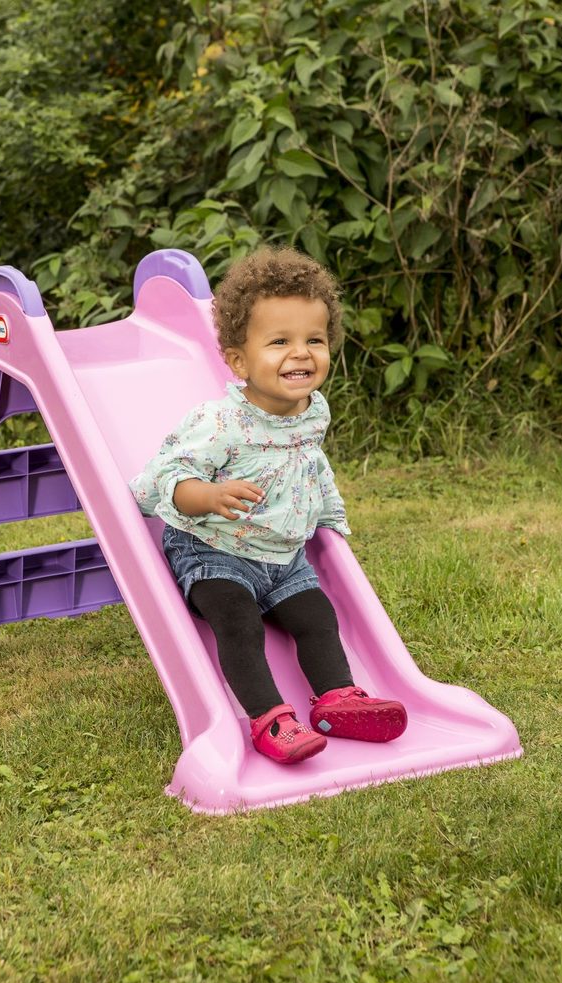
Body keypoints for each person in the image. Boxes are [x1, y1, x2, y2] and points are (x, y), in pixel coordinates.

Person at [129, 246, 407, 765]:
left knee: (318, 617)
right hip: (213, 551)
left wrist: (328, 514)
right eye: (280, 341)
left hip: (284, 557)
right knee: (238, 621)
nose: (300, 354)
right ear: (238, 360)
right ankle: (269, 719)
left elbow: (309, 464)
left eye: (314, 340)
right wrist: (207, 495)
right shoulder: (219, 422)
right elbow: (161, 479)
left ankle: (337, 700)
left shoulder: (312, 410)